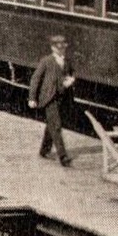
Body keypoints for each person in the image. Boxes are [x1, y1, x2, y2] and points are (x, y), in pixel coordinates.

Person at [28, 34, 76, 167]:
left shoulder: (67, 61)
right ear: (53, 48)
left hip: (62, 97)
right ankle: (63, 157)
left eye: (63, 48)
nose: (61, 50)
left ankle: (44, 150)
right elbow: (35, 78)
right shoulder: (46, 61)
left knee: (51, 125)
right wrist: (32, 98)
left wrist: (70, 80)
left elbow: (70, 74)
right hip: (49, 98)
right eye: (58, 48)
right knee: (56, 126)